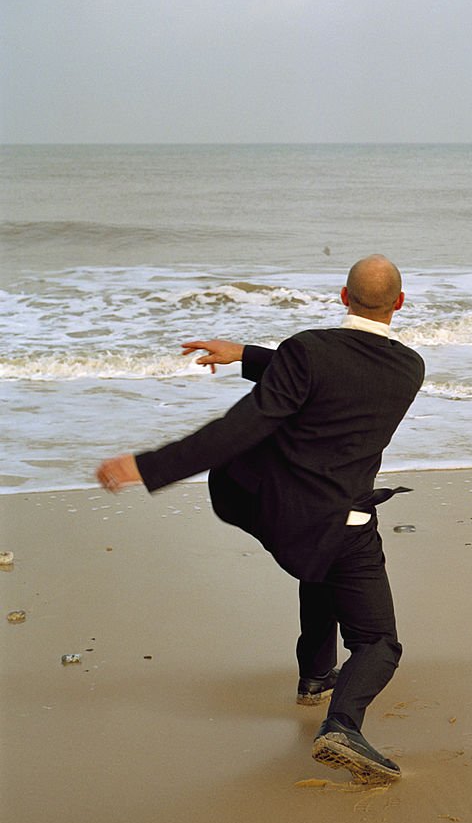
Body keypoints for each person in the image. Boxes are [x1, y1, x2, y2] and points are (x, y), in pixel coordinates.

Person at [96, 254, 425, 783]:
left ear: (342, 297)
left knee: (321, 567)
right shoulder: (409, 368)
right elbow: (341, 371)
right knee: (378, 643)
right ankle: (342, 724)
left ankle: (317, 675)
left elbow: (244, 426)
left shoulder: (308, 350)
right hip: (344, 518)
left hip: (272, 505)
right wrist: (248, 354)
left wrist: (148, 466)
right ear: (400, 304)